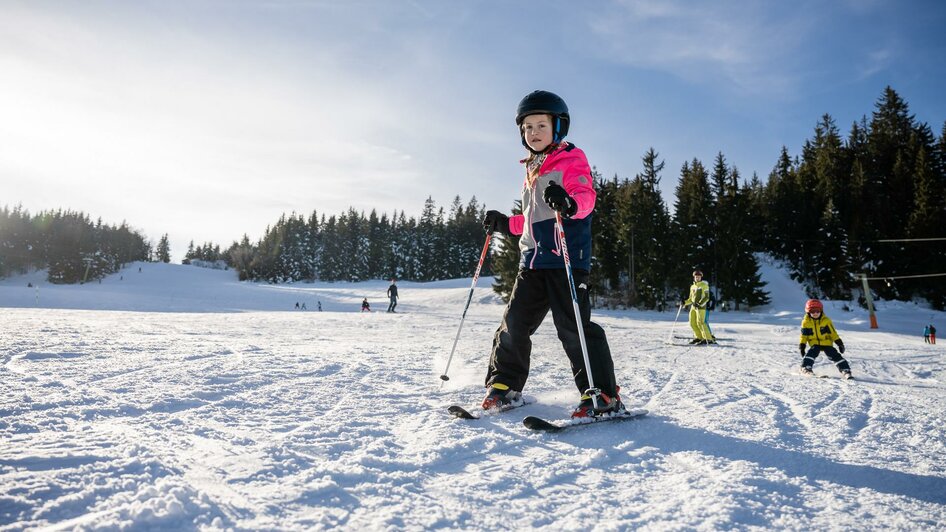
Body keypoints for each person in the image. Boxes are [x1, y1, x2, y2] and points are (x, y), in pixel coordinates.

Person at [480, 89, 624, 419]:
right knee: (514, 324)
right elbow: (533, 219)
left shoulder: (571, 159)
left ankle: (602, 393)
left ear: (558, 127)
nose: (533, 133)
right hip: (532, 261)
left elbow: (585, 198)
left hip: (566, 260)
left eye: (541, 125)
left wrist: (570, 203)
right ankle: (504, 385)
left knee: (573, 327)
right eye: (527, 127)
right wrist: (505, 224)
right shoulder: (532, 169)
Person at [798, 299, 852, 379]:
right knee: (811, 353)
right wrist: (802, 346)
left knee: (834, 355)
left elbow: (833, 333)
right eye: (813, 311)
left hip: (826, 342)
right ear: (808, 312)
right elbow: (804, 336)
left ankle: (845, 370)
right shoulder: (806, 322)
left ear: (821, 311)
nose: (815, 313)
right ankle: (806, 368)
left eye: (817, 311)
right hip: (814, 343)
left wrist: (839, 343)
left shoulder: (826, 321)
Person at [682, 270, 716, 345]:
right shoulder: (692, 286)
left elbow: (707, 297)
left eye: (699, 277)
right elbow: (691, 299)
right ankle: (699, 337)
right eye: (696, 277)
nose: (697, 278)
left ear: (701, 277)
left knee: (700, 323)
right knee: (692, 323)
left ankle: (708, 338)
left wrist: (700, 304)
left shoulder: (704, 285)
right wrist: (685, 302)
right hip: (693, 307)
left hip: (701, 307)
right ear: (694, 277)